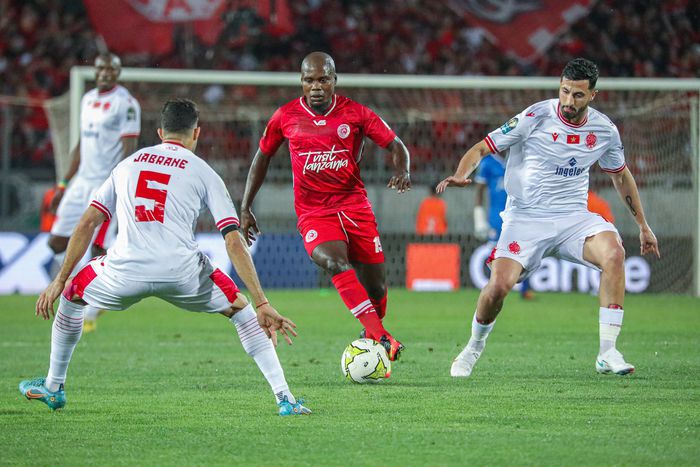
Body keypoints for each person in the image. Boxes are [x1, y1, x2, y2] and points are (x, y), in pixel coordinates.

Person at [19, 99, 310, 416]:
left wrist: (59, 280)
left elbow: (88, 222)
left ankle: (54, 386)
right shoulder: (204, 172)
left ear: (160, 132)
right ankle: (285, 399)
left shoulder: (127, 165)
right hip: (182, 273)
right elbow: (233, 240)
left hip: (125, 270)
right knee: (241, 309)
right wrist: (262, 302)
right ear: (196, 133)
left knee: (73, 294)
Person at [437, 58, 660, 378]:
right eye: (565, 91)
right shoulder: (535, 116)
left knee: (614, 253)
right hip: (525, 218)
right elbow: (481, 148)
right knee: (498, 287)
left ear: (593, 95)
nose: (569, 101)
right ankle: (473, 347)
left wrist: (643, 225)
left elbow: (621, 176)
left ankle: (608, 352)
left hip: (573, 218)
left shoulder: (604, 130)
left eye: (578, 95)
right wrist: (461, 174)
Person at [240, 52, 411, 362]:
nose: (316, 86)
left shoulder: (356, 113)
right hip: (314, 213)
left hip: (355, 207)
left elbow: (395, 144)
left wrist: (402, 169)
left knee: (376, 288)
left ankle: (371, 332)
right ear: (301, 82)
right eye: (309, 80)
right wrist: (245, 207)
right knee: (334, 261)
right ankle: (383, 338)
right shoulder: (285, 116)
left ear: (334, 80)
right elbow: (262, 157)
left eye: (323, 79)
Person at [48, 52, 141, 331]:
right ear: (95, 71)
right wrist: (63, 184)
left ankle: (89, 304)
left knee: (99, 248)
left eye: (111, 69)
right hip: (81, 183)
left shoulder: (126, 104)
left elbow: (129, 148)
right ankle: (76, 288)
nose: (105, 73)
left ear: (117, 72)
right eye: (101, 69)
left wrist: (120, 185)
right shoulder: (87, 99)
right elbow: (80, 145)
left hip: (106, 184)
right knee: (56, 241)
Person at [473, 153, 533, 299]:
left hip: (517, 214)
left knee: (526, 249)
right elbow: (479, 190)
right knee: (496, 252)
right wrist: (478, 217)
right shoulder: (487, 163)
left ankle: (525, 289)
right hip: (496, 216)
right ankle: (494, 286)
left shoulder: (521, 158)